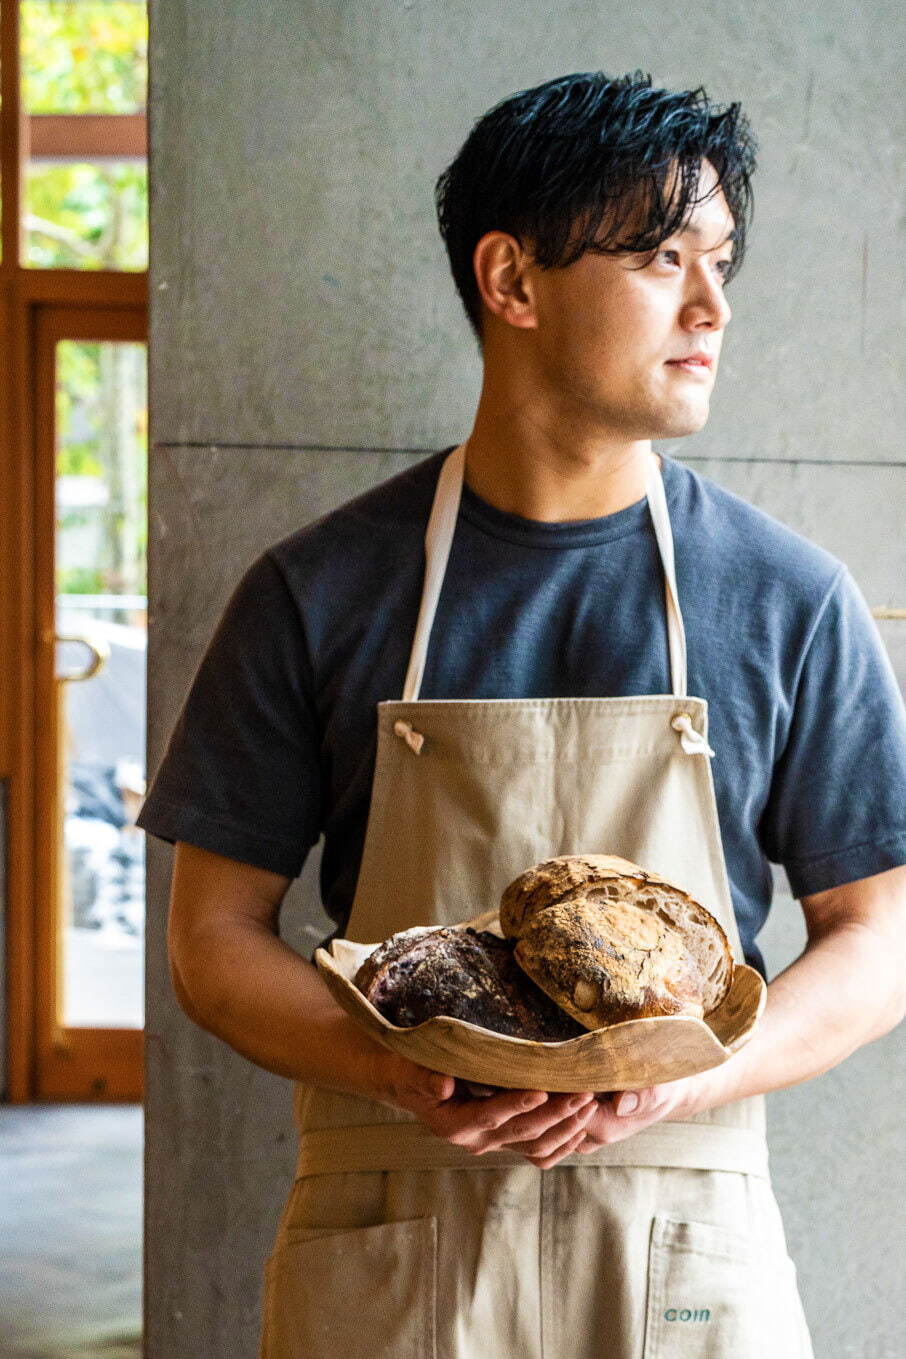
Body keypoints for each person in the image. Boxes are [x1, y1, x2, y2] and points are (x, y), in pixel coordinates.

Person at [137, 69, 906, 1358]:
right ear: (513, 280)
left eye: (721, 262)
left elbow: (882, 931)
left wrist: (683, 1074)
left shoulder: (790, 599)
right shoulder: (317, 590)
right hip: (394, 1238)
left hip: (681, 1249)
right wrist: (399, 1066)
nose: (712, 306)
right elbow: (212, 940)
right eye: (664, 257)